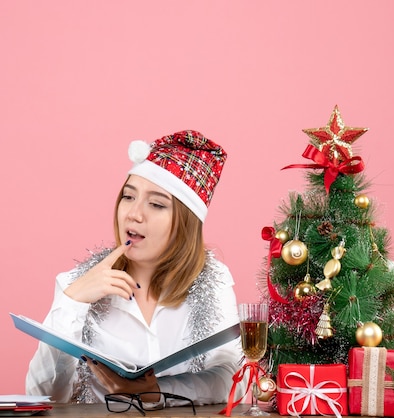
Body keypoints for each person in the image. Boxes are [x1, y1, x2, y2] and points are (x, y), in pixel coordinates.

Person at [26, 130, 243, 407]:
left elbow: (231, 380)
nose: (134, 214)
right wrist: (72, 301)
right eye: (128, 197)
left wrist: (157, 391)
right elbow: (42, 397)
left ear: (186, 223)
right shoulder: (75, 283)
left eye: (156, 204)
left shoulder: (215, 281)